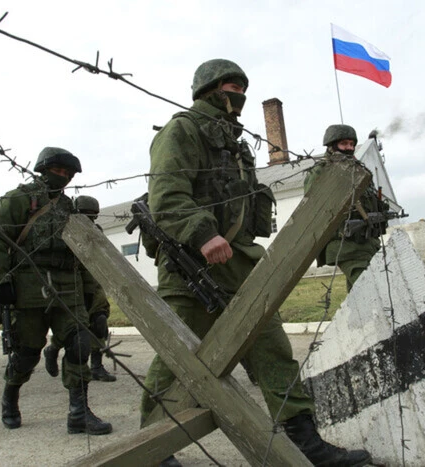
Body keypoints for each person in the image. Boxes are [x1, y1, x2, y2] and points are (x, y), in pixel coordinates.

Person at [141, 59, 371, 467]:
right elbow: (167, 198)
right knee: (177, 360)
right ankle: (154, 449)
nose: (239, 94)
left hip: (243, 264)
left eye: (242, 87)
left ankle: (303, 439)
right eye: (231, 86)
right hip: (192, 267)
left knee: (274, 350)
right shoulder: (183, 131)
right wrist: (202, 233)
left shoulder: (235, 143)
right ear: (209, 89)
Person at [0, 147, 112, 435]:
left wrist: (90, 291)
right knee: (27, 352)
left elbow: (83, 254)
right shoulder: (18, 200)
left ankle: (79, 412)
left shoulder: (69, 209)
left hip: (68, 286)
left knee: (80, 343)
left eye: (68, 174)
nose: (62, 177)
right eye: (58, 171)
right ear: (43, 169)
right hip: (28, 287)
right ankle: (10, 397)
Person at [304, 124, 389, 292]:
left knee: (361, 294)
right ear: (331, 146)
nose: (349, 148)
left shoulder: (359, 171)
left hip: (367, 242)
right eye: (344, 144)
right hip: (345, 244)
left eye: (351, 144)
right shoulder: (322, 170)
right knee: (372, 289)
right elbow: (313, 208)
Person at [43, 195, 116, 382]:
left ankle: (97, 367)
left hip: (94, 282)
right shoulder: (64, 229)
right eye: (85, 214)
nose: (89, 220)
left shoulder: (96, 230)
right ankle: (53, 349)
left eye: (93, 216)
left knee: (99, 322)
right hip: (73, 283)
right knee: (74, 326)